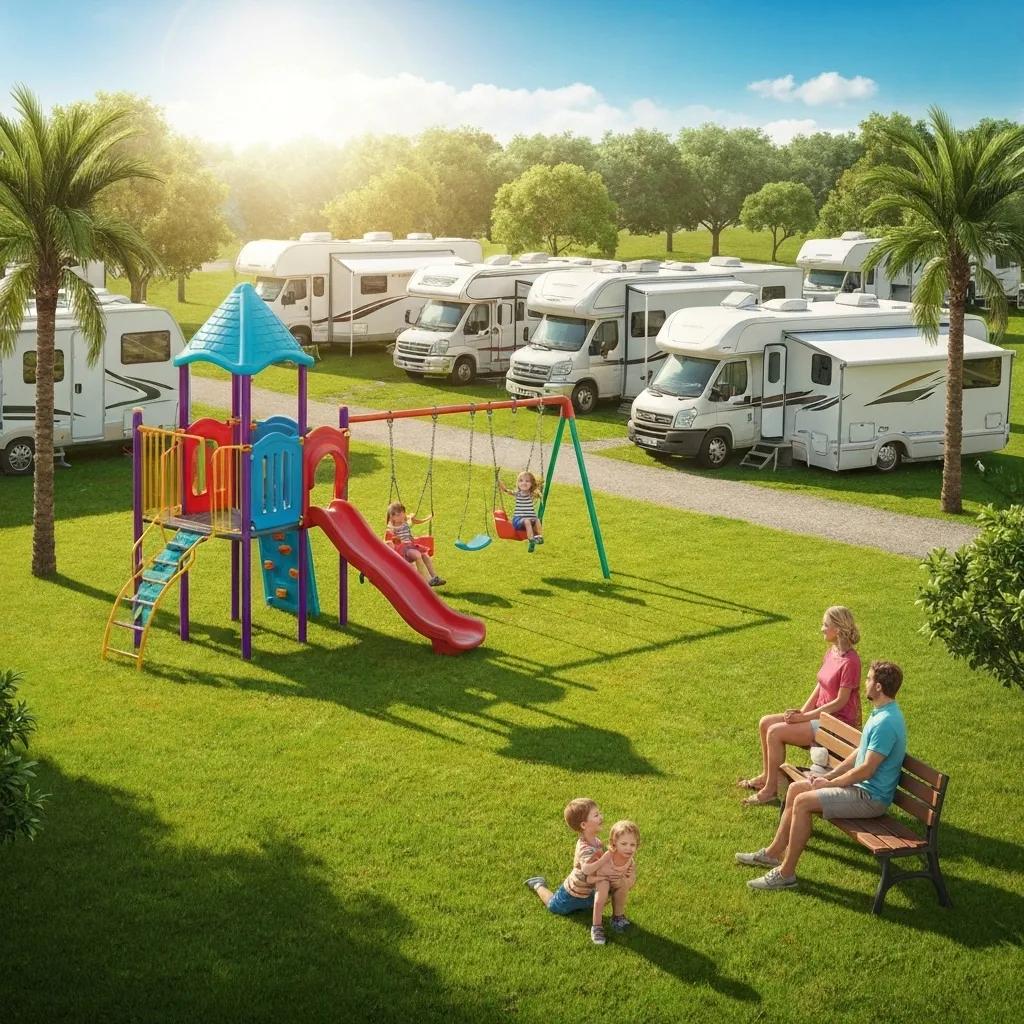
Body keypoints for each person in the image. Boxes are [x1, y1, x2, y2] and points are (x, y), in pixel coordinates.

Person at [736, 660, 907, 891]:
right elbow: (859, 753)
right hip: (861, 790)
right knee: (797, 789)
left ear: (878, 688)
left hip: (870, 798)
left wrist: (832, 782)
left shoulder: (886, 722)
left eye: (868, 679)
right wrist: (831, 775)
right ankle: (773, 854)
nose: (864, 683)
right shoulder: (880, 713)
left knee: (804, 801)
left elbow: (866, 769)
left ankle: (786, 874)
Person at [738, 606, 862, 805]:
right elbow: (820, 686)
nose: (822, 629)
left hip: (834, 725)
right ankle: (766, 776)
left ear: (837, 630)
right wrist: (802, 712)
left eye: (825, 625)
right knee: (765, 723)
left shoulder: (851, 661)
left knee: (775, 732)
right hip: (819, 716)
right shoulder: (832, 652)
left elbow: (840, 701)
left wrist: (804, 718)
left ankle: (770, 791)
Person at [524, 798, 611, 945]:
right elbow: (588, 872)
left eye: (599, 813)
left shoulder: (596, 841)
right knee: (553, 906)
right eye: (596, 815)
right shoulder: (585, 849)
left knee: (605, 892)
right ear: (584, 825)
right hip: (572, 892)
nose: (601, 817)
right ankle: (538, 884)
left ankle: (597, 910)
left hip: (587, 892)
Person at [589, 820, 639, 940]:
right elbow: (591, 872)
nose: (628, 848)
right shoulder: (608, 856)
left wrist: (623, 883)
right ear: (614, 843)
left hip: (615, 881)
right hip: (602, 878)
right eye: (624, 844)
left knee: (623, 886)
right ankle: (596, 926)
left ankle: (617, 917)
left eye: (633, 845)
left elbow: (631, 880)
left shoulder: (630, 861)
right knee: (601, 895)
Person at [386, 501, 445, 587]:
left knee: (425, 556)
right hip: (403, 550)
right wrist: (394, 539)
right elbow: (389, 536)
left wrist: (427, 519)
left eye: (403, 513)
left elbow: (416, 521)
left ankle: (435, 577)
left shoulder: (405, 522)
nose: (402, 516)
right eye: (398, 515)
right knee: (417, 555)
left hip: (411, 546)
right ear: (392, 518)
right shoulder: (392, 527)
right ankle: (428, 580)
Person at [499, 471, 544, 551]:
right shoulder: (518, 493)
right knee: (527, 521)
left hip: (530, 519)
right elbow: (506, 490)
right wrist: (499, 482)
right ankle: (531, 540)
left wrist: (541, 488)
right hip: (518, 520)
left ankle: (539, 537)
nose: (524, 483)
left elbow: (539, 494)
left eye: (527, 481)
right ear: (518, 483)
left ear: (532, 484)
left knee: (537, 520)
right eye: (521, 481)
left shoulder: (532, 494)